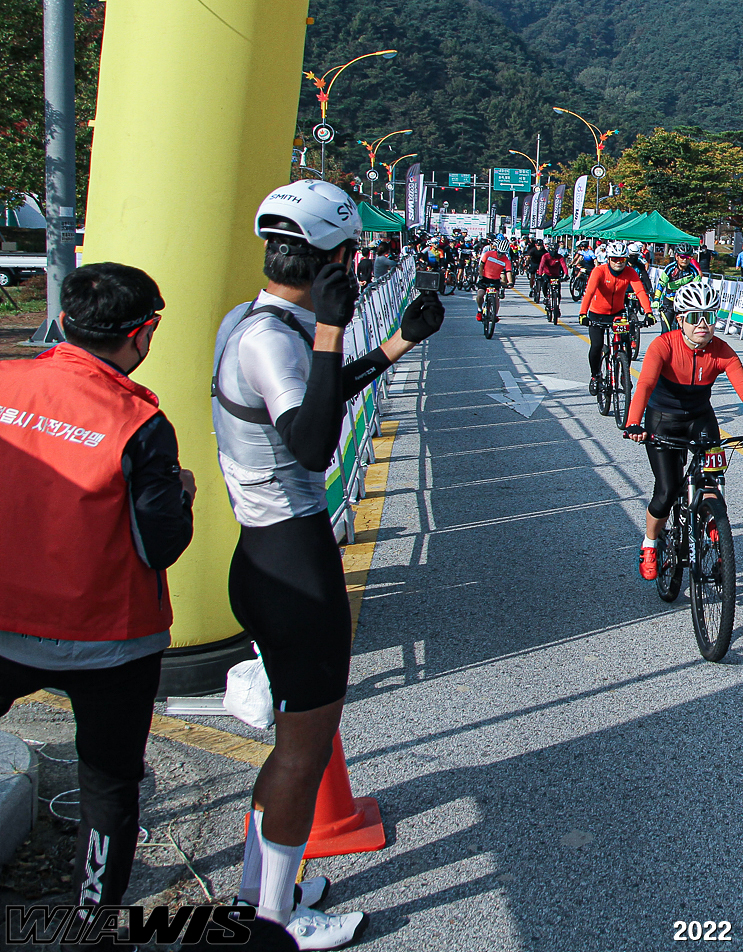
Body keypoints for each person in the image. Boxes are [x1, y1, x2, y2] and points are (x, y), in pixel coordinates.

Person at [212, 180, 443, 947]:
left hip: (268, 553)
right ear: (336, 261)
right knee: (303, 754)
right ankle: (274, 923)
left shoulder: (251, 322)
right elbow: (313, 443)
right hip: (293, 562)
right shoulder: (274, 338)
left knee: (292, 747)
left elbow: (318, 397)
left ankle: (262, 891)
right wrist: (333, 330)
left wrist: (395, 343)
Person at [0, 263, 194, 926]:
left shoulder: (5, 381)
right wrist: (182, 494)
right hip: (107, 639)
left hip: (5, 622)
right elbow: (161, 544)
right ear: (143, 334)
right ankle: (91, 926)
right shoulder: (138, 422)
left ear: (63, 321)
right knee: (108, 785)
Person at [621, 279, 743, 579]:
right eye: (695, 317)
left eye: (709, 317)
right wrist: (633, 422)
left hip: (700, 419)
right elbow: (644, 385)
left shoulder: (722, 351)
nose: (703, 325)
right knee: (667, 491)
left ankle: (715, 529)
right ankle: (650, 543)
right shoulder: (663, 345)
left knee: (713, 481)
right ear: (681, 319)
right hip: (663, 420)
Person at [579, 241, 654, 391]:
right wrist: (583, 314)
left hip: (617, 314)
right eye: (615, 259)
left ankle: (624, 373)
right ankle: (595, 376)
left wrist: (648, 312)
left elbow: (640, 291)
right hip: (597, 314)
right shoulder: (599, 271)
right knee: (596, 346)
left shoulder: (630, 272)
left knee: (626, 343)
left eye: (622, 259)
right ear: (608, 259)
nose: (618, 262)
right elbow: (589, 293)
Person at [536, 244, 567, 322]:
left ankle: (557, 306)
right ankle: (546, 296)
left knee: (558, 292)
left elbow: (564, 266)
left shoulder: (560, 257)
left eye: (555, 250)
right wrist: (540, 274)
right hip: (546, 274)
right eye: (552, 250)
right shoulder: (545, 256)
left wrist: (566, 274)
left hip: (555, 275)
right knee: (544, 284)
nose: (553, 252)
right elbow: (541, 265)